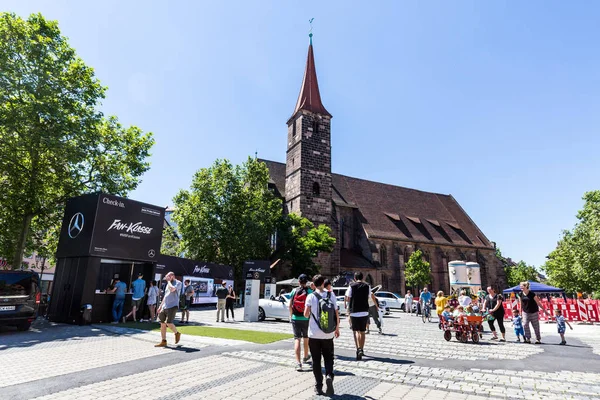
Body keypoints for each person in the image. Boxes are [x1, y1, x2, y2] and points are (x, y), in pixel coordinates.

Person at [304, 274, 340, 396]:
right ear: (324, 283)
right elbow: (336, 312)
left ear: (313, 284)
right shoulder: (331, 294)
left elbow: (305, 314)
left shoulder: (311, 296)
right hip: (328, 333)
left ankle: (318, 386)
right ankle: (329, 375)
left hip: (314, 334)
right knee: (329, 358)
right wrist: (337, 328)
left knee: (316, 360)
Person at [347, 272, 377, 360]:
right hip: (364, 311)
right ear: (363, 277)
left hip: (354, 311)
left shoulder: (351, 286)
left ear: (355, 278)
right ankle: (361, 349)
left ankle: (358, 349)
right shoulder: (367, 286)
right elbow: (369, 297)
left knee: (356, 331)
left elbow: (348, 297)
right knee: (362, 331)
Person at [289, 274, 312, 371]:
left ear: (298, 281)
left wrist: (291, 316)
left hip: (295, 317)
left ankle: (298, 363)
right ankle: (306, 356)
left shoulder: (294, 291)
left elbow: (290, 305)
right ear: (306, 282)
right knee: (306, 338)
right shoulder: (310, 291)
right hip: (306, 319)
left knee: (297, 339)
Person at [154, 272, 182, 347]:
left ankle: (177, 333)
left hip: (173, 305)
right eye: (166, 277)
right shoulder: (167, 284)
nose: (167, 278)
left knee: (169, 323)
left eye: (168, 277)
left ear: (172, 276)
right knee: (162, 323)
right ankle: (163, 341)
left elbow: (172, 289)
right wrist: (160, 306)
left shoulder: (178, 283)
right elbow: (166, 295)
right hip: (165, 306)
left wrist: (169, 281)